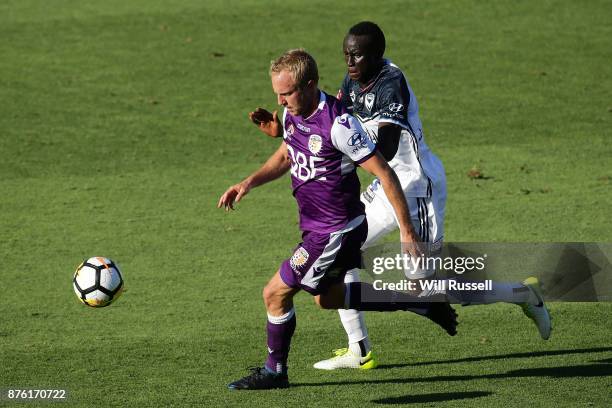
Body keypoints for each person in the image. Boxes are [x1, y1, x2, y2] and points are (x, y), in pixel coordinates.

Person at [249, 22, 552, 372]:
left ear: (376, 55)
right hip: (385, 187)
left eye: (357, 55)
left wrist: (404, 227)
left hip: (415, 187)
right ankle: (359, 349)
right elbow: (330, 127)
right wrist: (289, 132)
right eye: (346, 54)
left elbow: (387, 148)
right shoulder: (353, 78)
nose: (349, 62)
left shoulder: (391, 83)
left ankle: (520, 294)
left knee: (426, 289)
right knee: (347, 254)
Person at [219, 49, 457, 390]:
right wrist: (248, 182)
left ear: (310, 85)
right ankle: (417, 303)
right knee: (327, 298)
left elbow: (385, 173)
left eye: (285, 93)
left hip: (335, 231)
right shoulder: (291, 113)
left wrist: (407, 230)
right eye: (277, 93)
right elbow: (289, 152)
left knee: (274, 294)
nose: (280, 100)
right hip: (319, 227)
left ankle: (274, 372)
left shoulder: (339, 124)